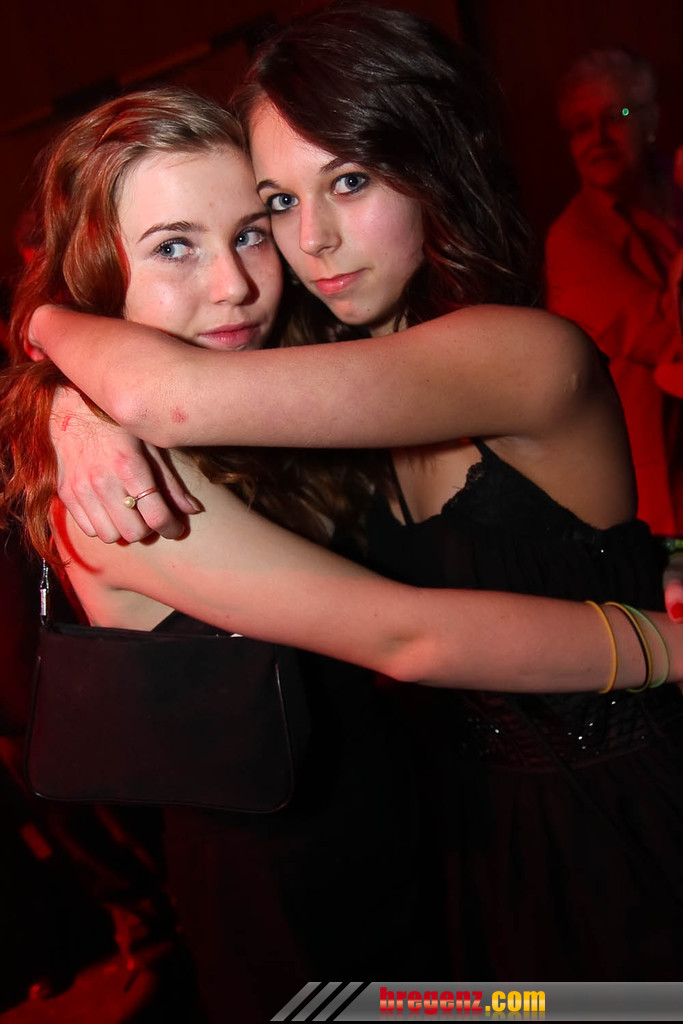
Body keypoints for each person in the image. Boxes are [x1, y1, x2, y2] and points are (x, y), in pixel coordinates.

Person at [18, 5, 683, 982]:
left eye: (346, 181)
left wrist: (50, 342)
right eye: (279, 203)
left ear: (429, 162)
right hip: (329, 905)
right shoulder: (146, 470)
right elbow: (407, 630)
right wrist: (59, 370)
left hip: (585, 830)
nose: (299, 247)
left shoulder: (490, 355)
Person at [545, 48, 683, 535]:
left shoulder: (676, 190)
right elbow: (668, 339)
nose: (598, 138)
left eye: (615, 116)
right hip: (659, 498)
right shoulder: (573, 241)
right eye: (581, 127)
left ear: (652, 119)